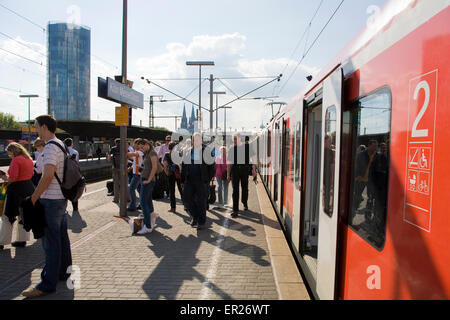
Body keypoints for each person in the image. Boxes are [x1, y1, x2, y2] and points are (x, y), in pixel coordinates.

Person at [22, 115, 72, 298]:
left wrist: (34, 197)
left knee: (51, 243)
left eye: (36, 126)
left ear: (44, 127)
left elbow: (48, 174)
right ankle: (63, 273)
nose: (35, 130)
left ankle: (47, 284)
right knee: (61, 239)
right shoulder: (61, 144)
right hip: (61, 199)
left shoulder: (51, 146)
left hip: (50, 200)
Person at [0, 143, 35, 250]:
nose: (8, 155)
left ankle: (2, 241)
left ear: (13, 151)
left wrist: (3, 177)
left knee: (7, 216)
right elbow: (31, 174)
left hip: (16, 190)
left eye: (9, 152)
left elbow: (13, 178)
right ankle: (22, 240)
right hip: (28, 188)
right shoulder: (28, 159)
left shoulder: (16, 160)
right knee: (23, 215)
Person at [181, 133, 215, 230]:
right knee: (187, 199)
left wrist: (207, 179)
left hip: (201, 181)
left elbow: (212, 167)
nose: (195, 141)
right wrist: (182, 180)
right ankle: (195, 216)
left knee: (201, 201)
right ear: (192, 141)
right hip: (189, 180)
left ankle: (201, 222)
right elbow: (184, 166)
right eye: (193, 139)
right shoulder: (187, 152)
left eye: (197, 139)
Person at [227, 133, 257, 217]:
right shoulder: (231, 149)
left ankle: (244, 203)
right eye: (233, 139)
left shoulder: (247, 147)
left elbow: (254, 157)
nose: (234, 140)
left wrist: (254, 169)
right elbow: (229, 163)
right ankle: (235, 209)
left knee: (245, 188)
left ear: (240, 138)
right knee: (235, 190)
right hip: (235, 170)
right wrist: (228, 174)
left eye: (236, 139)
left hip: (244, 169)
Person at [137, 139, 159, 234]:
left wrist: (149, 180)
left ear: (146, 144)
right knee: (148, 201)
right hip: (145, 179)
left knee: (143, 202)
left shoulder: (152, 153)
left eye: (142, 147)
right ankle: (152, 215)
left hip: (148, 180)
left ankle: (147, 226)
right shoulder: (148, 153)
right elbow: (149, 167)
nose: (141, 149)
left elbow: (154, 167)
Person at [354, 139, 378, 211]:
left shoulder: (376, 155)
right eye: (374, 146)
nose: (375, 148)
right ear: (369, 146)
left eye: (376, 146)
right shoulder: (361, 155)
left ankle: (368, 212)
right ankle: (355, 208)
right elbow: (356, 165)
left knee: (370, 197)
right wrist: (357, 176)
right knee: (358, 195)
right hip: (361, 178)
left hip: (370, 180)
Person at [107, 138, 129, 203]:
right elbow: (127, 160)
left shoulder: (113, 149)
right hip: (124, 168)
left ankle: (116, 199)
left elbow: (109, 159)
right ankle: (127, 198)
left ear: (116, 143)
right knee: (125, 183)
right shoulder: (125, 149)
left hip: (115, 168)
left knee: (116, 184)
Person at [163, 141, 182, 212]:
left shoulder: (167, 154)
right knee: (181, 190)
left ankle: (173, 207)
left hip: (171, 174)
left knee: (172, 191)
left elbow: (165, 165)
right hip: (179, 173)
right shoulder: (179, 154)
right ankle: (186, 206)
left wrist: (167, 173)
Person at [127, 138, 144, 211]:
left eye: (135, 143)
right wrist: (131, 167)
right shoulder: (137, 152)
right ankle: (141, 204)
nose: (134, 145)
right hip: (137, 173)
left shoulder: (140, 152)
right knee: (140, 190)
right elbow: (134, 160)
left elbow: (133, 154)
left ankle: (132, 205)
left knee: (131, 189)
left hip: (138, 174)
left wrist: (125, 151)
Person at [64, 138, 80, 213]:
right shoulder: (75, 152)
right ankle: (75, 208)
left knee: (64, 190)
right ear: (71, 144)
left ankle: (64, 208)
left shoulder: (62, 151)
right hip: (74, 174)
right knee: (74, 190)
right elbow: (77, 163)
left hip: (64, 174)